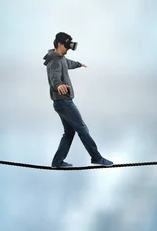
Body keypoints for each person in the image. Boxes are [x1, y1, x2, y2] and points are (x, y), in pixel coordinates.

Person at [43, 32, 113, 168]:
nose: (68, 48)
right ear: (59, 44)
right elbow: (54, 78)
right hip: (64, 102)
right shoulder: (55, 61)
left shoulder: (61, 58)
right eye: (66, 45)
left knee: (69, 132)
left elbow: (68, 63)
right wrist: (59, 85)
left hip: (61, 103)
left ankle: (57, 162)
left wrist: (79, 64)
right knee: (82, 128)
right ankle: (96, 157)